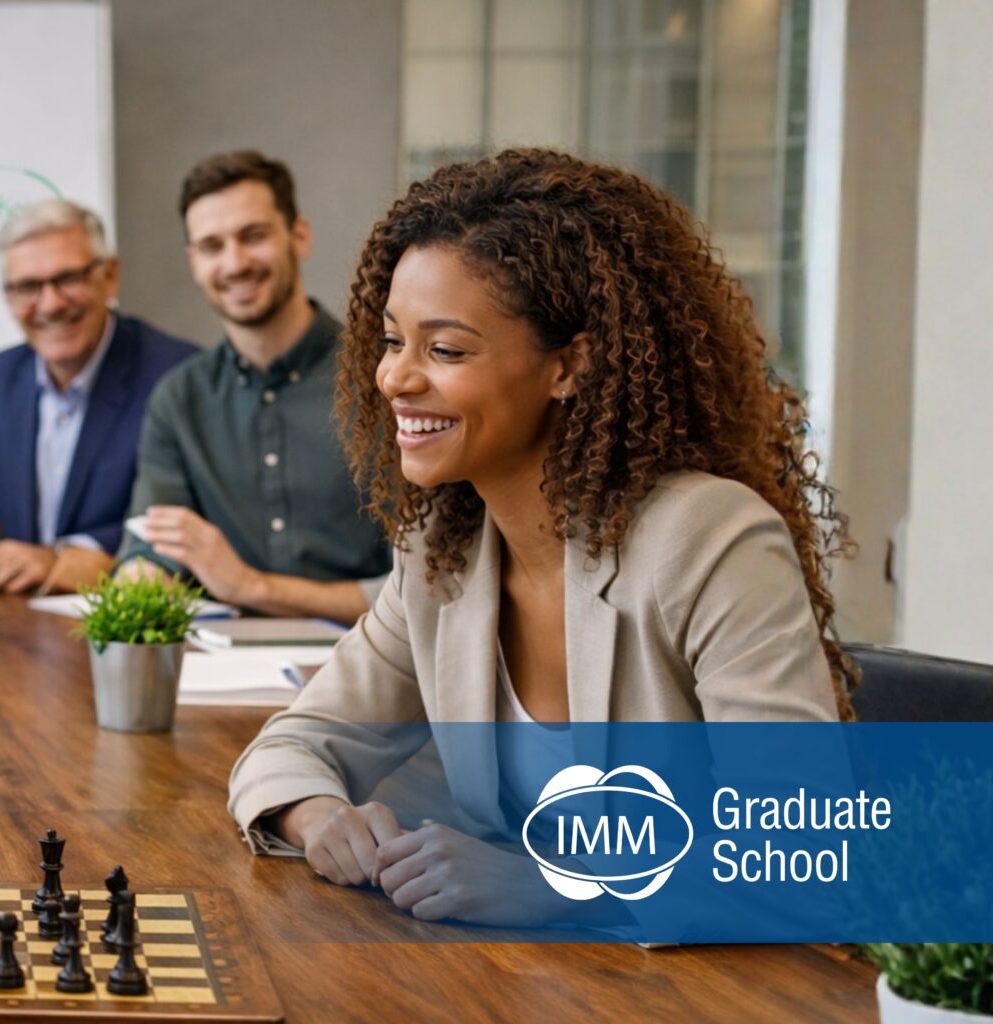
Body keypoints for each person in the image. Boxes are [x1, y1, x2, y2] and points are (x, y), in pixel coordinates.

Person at [225, 148, 852, 925]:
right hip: (535, 984)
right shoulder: (442, 555)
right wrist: (320, 818)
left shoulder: (707, 538)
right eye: (392, 341)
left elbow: (795, 849)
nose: (394, 378)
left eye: (444, 349)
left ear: (570, 366)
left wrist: (556, 885)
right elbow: (293, 746)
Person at [118, 151, 390, 619]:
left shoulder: (386, 378)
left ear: (298, 236)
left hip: (376, 663)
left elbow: (428, 584)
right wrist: (140, 582)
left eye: (253, 236)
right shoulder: (179, 399)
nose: (235, 263)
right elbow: (151, 550)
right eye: (211, 246)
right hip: (223, 673)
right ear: (193, 262)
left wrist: (252, 587)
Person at [0, 199, 198, 595]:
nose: (51, 304)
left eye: (68, 279)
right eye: (28, 287)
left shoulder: (177, 376)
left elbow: (181, 516)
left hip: (123, 624)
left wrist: (61, 558)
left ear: (109, 276)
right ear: (8, 297)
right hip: (18, 624)